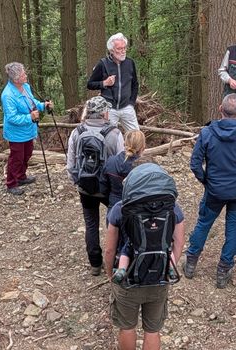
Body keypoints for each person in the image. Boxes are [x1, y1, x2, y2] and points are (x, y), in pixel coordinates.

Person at [183, 93, 236, 289]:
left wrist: (207, 181)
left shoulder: (208, 132)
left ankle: (192, 261)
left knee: (203, 223)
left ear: (221, 108)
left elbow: (195, 164)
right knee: (232, 230)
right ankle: (223, 269)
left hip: (215, 191)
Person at [103, 163, 186, 350]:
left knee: (127, 327)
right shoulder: (173, 208)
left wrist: (111, 275)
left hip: (127, 279)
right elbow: (179, 243)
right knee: (152, 330)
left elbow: (109, 250)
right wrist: (168, 267)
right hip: (159, 277)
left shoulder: (119, 208)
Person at [66, 96, 124, 276]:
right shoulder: (114, 133)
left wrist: (76, 181)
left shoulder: (77, 132)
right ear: (104, 112)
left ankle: (95, 264)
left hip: (85, 186)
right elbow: (122, 163)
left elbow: (71, 162)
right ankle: (114, 260)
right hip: (109, 188)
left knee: (90, 224)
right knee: (113, 224)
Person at [1, 62, 53, 195]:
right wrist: (29, 117)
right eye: (23, 73)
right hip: (16, 133)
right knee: (16, 158)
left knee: (27, 154)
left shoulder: (25, 87)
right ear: (16, 78)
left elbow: (32, 102)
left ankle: (21, 176)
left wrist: (42, 105)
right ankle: (11, 183)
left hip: (29, 130)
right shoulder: (7, 95)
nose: (26, 75)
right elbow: (12, 118)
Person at [101, 130, 147, 282]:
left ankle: (115, 273)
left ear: (124, 143)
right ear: (143, 147)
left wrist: (110, 203)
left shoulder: (111, 162)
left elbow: (103, 187)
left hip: (114, 208)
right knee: (135, 242)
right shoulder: (143, 166)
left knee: (113, 245)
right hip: (138, 211)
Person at [87, 33, 140, 132]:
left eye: (124, 48)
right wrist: (104, 83)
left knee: (136, 137)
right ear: (111, 50)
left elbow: (135, 84)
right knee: (109, 138)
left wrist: (131, 103)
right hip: (109, 109)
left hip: (127, 107)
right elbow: (90, 84)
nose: (123, 51)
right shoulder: (103, 64)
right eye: (119, 49)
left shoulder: (130, 63)